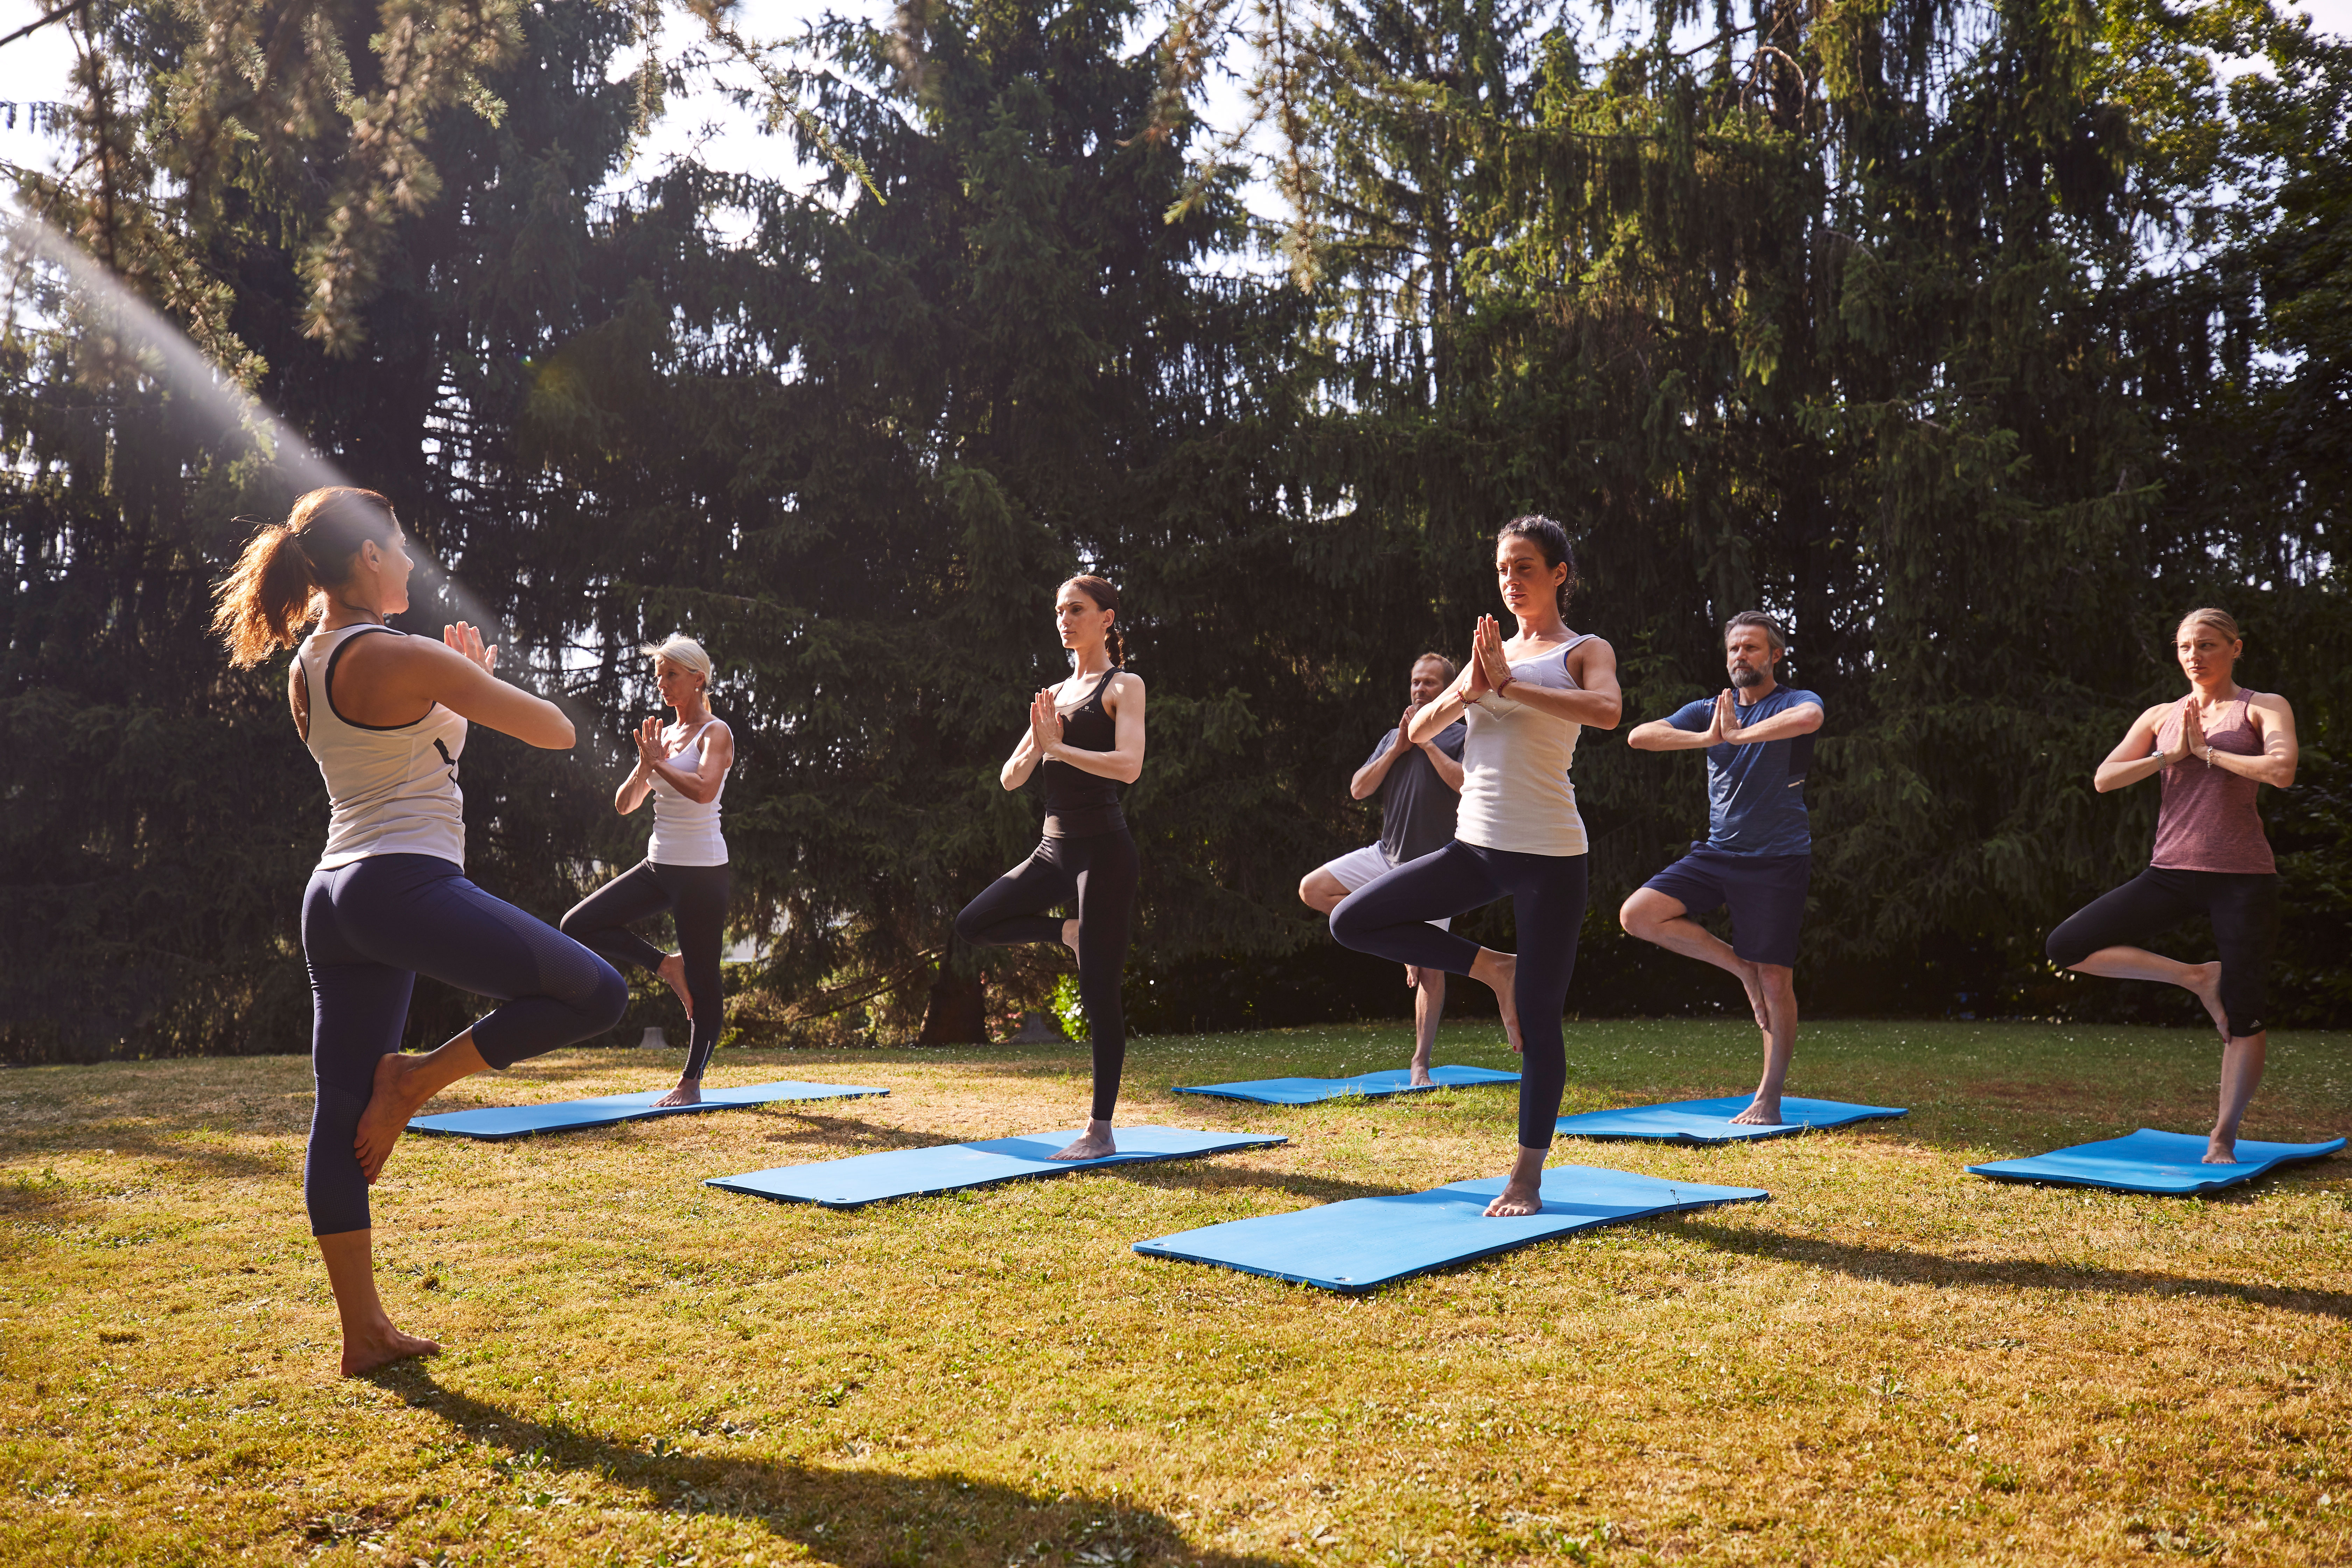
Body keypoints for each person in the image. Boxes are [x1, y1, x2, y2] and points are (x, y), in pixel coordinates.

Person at [211, 486, 627, 1376]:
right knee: (598, 992)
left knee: (338, 1109)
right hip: (402, 883)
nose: (408, 563)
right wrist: (472, 681)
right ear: (369, 557)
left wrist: (455, 690)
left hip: (336, 895)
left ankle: (363, 1333)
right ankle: (415, 1081)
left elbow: (401, 755)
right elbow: (556, 732)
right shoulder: (403, 655)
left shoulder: (308, 665)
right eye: (400, 548)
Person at [1330, 516, 1620, 1217]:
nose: (1511, 580)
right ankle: (1493, 967)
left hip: (1552, 854)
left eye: (1525, 567)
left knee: (1541, 1022)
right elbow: (1421, 726)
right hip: (1477, 847)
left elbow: (1607, 711)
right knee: (1353, 920)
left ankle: (1527, 1175)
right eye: (1502, 569)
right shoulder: (1487, 655)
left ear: (1559, 574)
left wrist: (1510, 686)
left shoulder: (1583, 649)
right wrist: (1471, 687)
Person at [2045, 609, 2298, 1163]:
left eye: (2207, 645)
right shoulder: (2161, 715)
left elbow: (2282, 770)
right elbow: (2105, 778)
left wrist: (2209, 754)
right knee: (2067, 946)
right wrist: (2168, 755)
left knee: (2245, 1013)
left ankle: (2223, 1137)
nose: (2194, 656)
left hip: (2243, 878)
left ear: (2236, 647)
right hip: (2171, 871)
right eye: (2185, 646)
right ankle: (2196, 977)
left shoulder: (2262, 707)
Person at [954, 576, 1148, 1160]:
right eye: (1060, 610)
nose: (1065, 619)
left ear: (1106, 619)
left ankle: (1100, 1129)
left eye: (1077, 610)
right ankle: (1067, 931)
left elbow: (1129, 766)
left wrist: (1060, 749)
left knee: (1099, 992)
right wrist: (1041, 743)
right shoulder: (1054, 695)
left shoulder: (1123, 686)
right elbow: (1010, 778)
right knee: (973, 924)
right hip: (1052, 850)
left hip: (1104, 854)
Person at [1619, 613, 1824, 1126]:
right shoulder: (1711, 710)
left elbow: (1809, 721)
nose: (1740, 656)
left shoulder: (1795, 701)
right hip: (1718, 853)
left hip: (1777, 860)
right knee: (1637, 915)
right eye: (1734, 648)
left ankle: (1769, 1098)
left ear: (1775, 655)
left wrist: (1740, 735)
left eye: (1751, 648)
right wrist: (1711, 737)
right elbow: (1640, 736)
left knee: (1776, 978)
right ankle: (1739, 968)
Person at [559, 636, 735, 1108]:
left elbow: (704, 790)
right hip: (658, 864)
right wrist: (645, 766)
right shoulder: (664, 737)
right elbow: (625, 804)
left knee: (705, 980)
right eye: (659, 676)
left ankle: (691, 1081)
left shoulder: (715, 733)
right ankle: (665, 965)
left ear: (698, 679)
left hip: (702, 871)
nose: (662, 684)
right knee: (578, 924)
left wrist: (660, 764)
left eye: (671, 675)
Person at [1298, 653, 1467, 1084]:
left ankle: (1420, 1063)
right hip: (1386, 857)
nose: (1419, 689)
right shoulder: (1395, 736)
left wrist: (1427, 742)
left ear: (1448, 690)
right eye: (1415, 682)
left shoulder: (1462, 734)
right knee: (1313, 889)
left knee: (1431, 968)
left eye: (1429, 683)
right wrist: (1398, 748)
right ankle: (1403, 940)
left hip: (1437, 869)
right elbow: (1359, 789)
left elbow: (1467, 784)